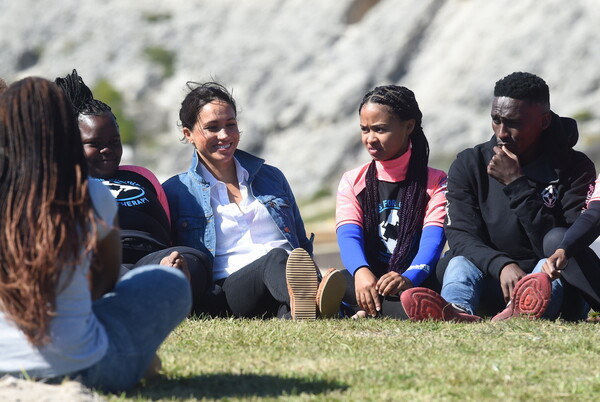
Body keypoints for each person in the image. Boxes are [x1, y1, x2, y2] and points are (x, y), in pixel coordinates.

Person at [0, 77, 191, 392]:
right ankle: (138, 354)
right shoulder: (90, 195)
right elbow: (103, 284)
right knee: (167, 281)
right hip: (89, 369)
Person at [401, 72, 596, 321]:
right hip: (493, 278)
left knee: (547, 268)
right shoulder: (469, 163)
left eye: (514, 123)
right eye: (496, 120)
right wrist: (500, 265)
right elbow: (460, 234)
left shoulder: (574, 168)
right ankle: (456, 313)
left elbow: (561, 243)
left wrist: (516, 184)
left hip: (548, 281)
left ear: (544, 121)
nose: (502, 132)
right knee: (459, 263)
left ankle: (521, 312)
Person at [163, 81, 345, 319]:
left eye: (231, 124)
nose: (225, 135)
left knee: (292, 306)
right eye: (212, 127)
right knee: (276, 257)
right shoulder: (176, 192)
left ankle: (302, 310)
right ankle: (322, 302)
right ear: (189, 135)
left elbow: (299, 242)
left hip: (281, 285)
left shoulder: (271, 177)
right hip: (226, 293)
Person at [54, 70, 212, 307]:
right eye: (95, 144)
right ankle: (154, 289)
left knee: (192, 259)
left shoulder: (141, 176)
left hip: (151, 256)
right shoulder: (61, 180)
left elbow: (165, 227)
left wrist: (170, 259)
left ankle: (165, 278)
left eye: (113, 142)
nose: (107, 150)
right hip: (98, 259)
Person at [335, 85, 448, 319]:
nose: (370, 139)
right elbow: (348, 237)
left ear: (409, 126)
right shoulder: (352, 181)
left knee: (448, 266)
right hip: (369, 280)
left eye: (380, 129)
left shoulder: (437, 182)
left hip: (416, 280)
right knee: (340, 280)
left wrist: (408, 278)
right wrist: (361, 271)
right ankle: (397, 309)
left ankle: (366, 310)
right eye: (364, 130)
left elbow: (433, 243)